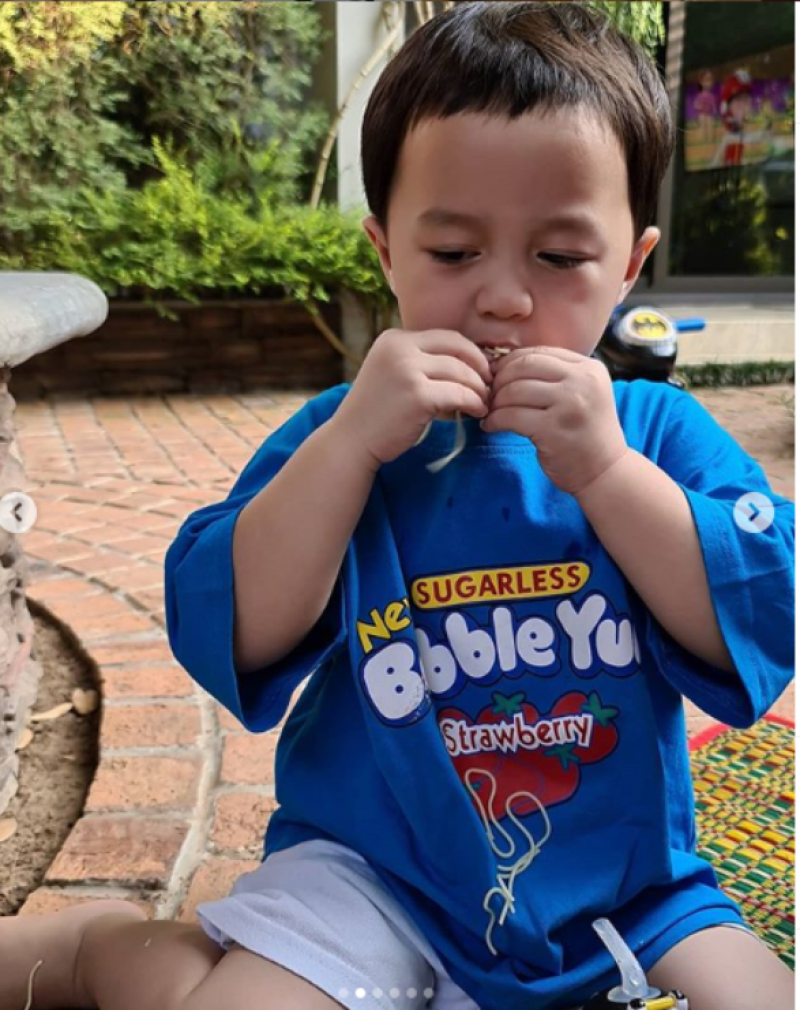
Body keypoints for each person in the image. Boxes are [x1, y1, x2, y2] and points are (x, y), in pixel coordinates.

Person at [1, 4, 794, 1010]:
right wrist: (348, 450)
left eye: (559, 258)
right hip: (370, 873)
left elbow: (756, 611)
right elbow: (236, 626)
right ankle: (95, 951)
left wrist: (606, 472)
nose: (504, 298)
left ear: (630, 264)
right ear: (385, 250)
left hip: (623, 882)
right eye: (453, 252)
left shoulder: (655, 435)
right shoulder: (347, 434)